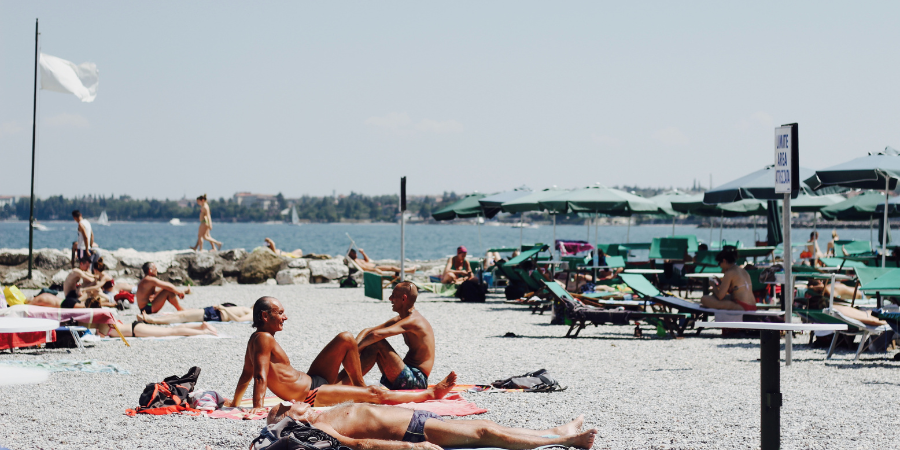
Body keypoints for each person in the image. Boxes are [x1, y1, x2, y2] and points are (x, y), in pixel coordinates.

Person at [226, 296, 456, 415]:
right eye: (280, 313)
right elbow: (258, 377)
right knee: (376, 393)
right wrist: (257, 407)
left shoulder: (257, 340)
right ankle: (431, 393)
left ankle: (358, 388)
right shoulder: (262, 339)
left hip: (314, 378)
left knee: (346, 338)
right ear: (265, 316)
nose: (285, 317)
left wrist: (235, 403)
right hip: (311, 394)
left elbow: (245, 375)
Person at [266, 401, 597, 450]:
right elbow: (360, 446)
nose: (297, 402)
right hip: (416, 431)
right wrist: (414, 447)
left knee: (488, 425)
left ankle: (557, 432)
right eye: (290, 406)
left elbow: (271, 420)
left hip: (417, 418)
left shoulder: (318, 415)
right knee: (487, 433)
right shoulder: (316, 430)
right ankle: (566, 441)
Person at [349, 282, 435, 390]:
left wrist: (355, 352)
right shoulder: (403, 318)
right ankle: (348, 381)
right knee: (371, 343)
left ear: (404, 298)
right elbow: (369, 330)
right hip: (407, 375)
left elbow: (376, 335)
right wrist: (354, 349)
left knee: (377, 343)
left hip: (417, 380)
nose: (390, 299)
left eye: (393, 295)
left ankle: (346, 382)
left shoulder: (414, 321)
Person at [94, 319, 219, 338]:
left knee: (171, 332)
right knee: (170, 330)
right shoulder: (108, 319)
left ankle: (203, 331)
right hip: (135, 326)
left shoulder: (101, 326)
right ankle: (200, 326)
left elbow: (102, 336)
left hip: (136, 330)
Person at [139, 304, 253, 324]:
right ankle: (153, 318)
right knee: (184, 313)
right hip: (213, 311)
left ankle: (152, 321)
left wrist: (224, 308)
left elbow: (238, 320)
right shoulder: (249, 308)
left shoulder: (253, 313)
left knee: (183, 317)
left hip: (215, 315)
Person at [348, 248, 416, 275]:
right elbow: (364, 268)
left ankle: (408, 270)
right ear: (351, 254)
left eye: (355, 252)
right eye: (354, 253)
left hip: (376, 266)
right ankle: (410, 270)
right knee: (392, 268)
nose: (355, 254)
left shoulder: (358, 259)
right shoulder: (355, 262)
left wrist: (362, 253)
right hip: (376, 268)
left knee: (393, 267)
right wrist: (375, 269)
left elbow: (367, 260)